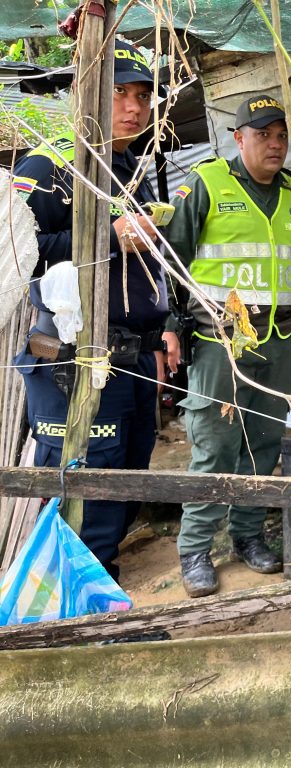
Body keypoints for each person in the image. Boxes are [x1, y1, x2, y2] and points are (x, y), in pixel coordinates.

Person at [12, 39, 171, 581]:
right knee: (84, 505)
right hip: (76, 364)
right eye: (119, 93)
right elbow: (16, 255)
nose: (134, 107)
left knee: (125, 492)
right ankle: (82, 635)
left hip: (133, 363)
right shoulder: (53, 164)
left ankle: (99, 612)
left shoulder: (130, 167)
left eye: (143, 96)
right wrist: (107, 234)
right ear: (85, 93)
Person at [164, 94, 291, 597]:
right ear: (238, 138)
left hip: (279, 338)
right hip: (219, 339)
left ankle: (247, 534)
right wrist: (170, 324)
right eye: (263, 134)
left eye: (281, 135)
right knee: (214, 444)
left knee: (261, 443)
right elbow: (172, 261)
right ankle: (195, 548)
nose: (275, 144)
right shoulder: (206, 184)